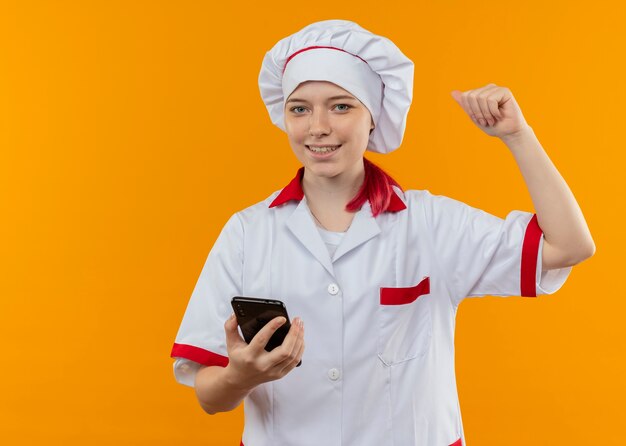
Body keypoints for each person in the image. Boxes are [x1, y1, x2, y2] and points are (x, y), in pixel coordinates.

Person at [170, 20, 595, 446]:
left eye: (341, 106)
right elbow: (210, 396)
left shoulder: (429, 224)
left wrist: (518, 136)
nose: (317, 126)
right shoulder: (248, 232)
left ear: (373, 117)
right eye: (299, 108)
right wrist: (240, 377)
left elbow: (569, 246)